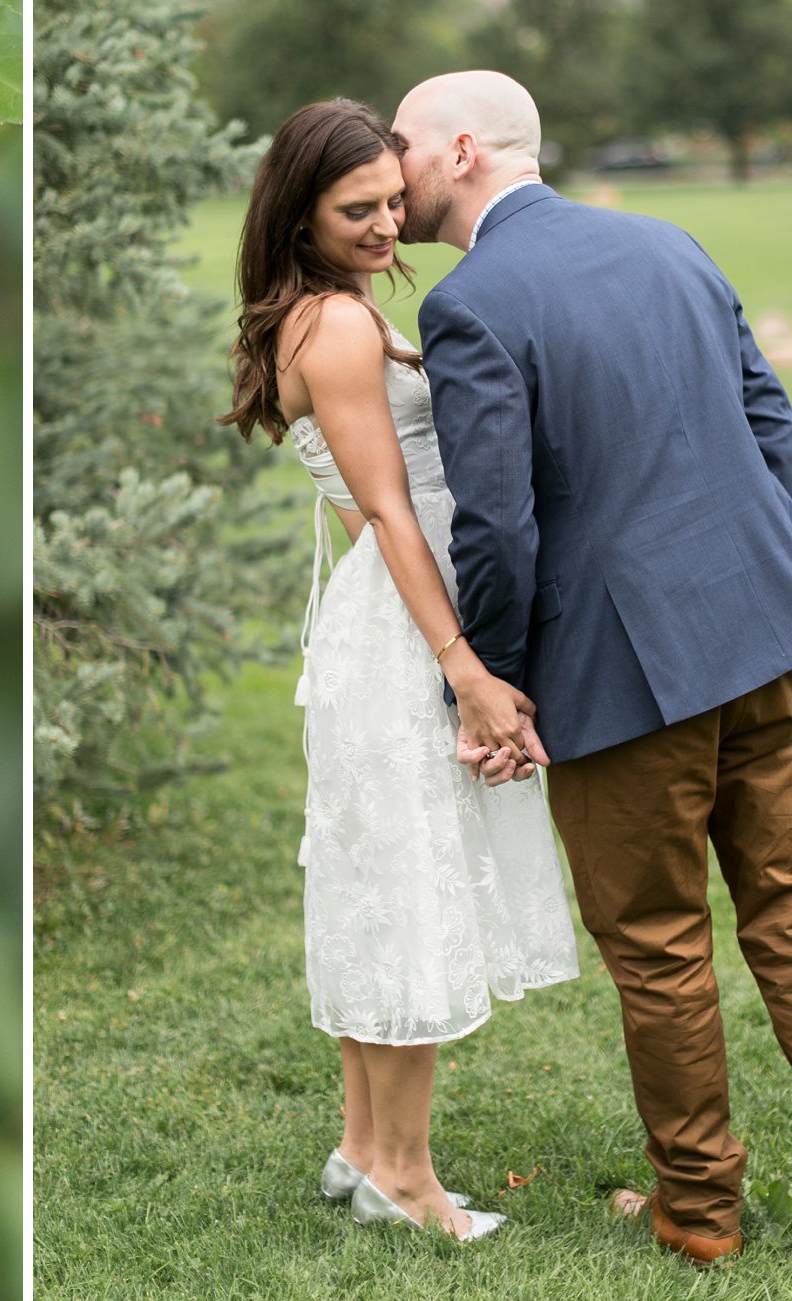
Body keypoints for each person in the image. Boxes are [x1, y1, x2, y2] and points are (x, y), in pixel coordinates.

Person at [392, 70, 792, 1279]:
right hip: (762, 632)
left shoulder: (473, 303)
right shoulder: (667, 242)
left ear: (462, 147)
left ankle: (698, 1208)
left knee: (658, 943)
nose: (393, 165)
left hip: (618, 672)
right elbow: (766, 419)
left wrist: (494, 680)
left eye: (407, 144)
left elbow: (497, 529)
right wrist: (743, 572)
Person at [221, 98, 579, 1243]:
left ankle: (363, 1147)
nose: (386, 224)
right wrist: (461, 664)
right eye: (355, 209)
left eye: (389, 200)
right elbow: (384, 508)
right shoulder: (329, 326)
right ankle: (406, 1178)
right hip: (401, 620)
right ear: (299, 210)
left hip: (383, 610)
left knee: (377, 880)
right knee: (408, 887)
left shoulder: (327, 307)